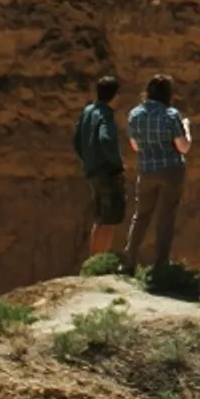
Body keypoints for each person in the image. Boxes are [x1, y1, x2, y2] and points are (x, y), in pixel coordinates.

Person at [120, 74, 192, 272]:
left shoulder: (135, 115)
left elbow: (135, 146)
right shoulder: (171, 115)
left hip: (146, 171)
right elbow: (183, 147)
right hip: (171, 171)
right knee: (165, 218)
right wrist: (186, 128)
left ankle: (129, 261)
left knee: (141, 216)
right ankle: (160, 264)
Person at [73, 75, 126, 262]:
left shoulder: (87, 111)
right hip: (108, 172)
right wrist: (117, 162)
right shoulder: (105, 114)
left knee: (99, 218)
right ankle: (101, 261)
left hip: (93, 171)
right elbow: (105, 139)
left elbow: (77, 140)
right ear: (114, 95)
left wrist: (87, 160)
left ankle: (93, 261)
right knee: (110, 220)